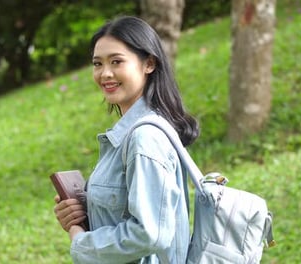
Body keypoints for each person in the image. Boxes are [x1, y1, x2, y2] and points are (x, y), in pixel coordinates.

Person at [53, 16, 199, 263]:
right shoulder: (133, 132)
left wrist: (81, 240)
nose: (105, 73)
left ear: (149, 64)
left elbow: (150, 234)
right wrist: (86, 209)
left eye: (117, 61)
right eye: (97, 64)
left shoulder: (145, 137)